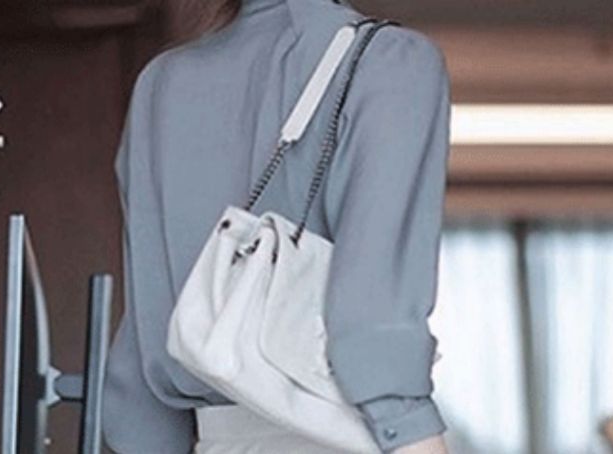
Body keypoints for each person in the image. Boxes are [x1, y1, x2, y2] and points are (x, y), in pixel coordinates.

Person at [103, 0, 452, 452]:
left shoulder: (162, 84)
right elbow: (370, 320)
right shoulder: (391, 63)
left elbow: (144, 366)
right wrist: (409, 428)